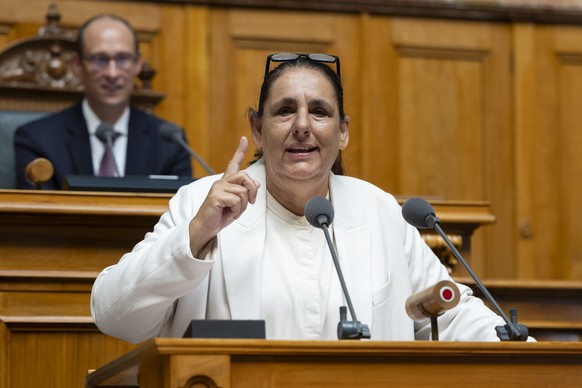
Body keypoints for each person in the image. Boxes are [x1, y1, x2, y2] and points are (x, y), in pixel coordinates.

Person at [91, 53, 524, 343]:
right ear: (257, 129)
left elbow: (449, 315)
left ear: (343, 130)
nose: (302, 125)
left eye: (319, 111)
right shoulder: (202, 202)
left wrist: (533, 358)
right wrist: (195, 235)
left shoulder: (377, 209)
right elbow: (114, 314)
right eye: (284, 111)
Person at [14, 14, 192, 190]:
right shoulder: (37, 140)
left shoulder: (171, 143)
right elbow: (38, 215)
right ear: (77, 65)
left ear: (137, 63)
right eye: (100, 59)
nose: (112, 73)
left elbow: (182, 215)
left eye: (122, 58)